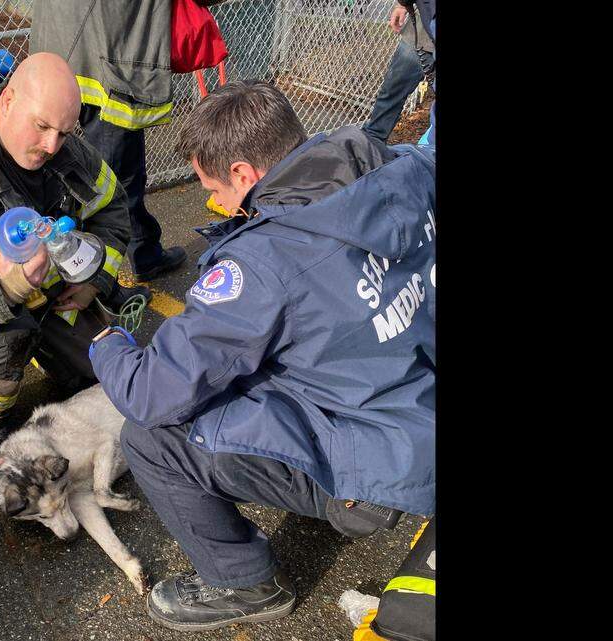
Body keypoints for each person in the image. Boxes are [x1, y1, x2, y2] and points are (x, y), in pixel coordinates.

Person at [88, 81, 436, 632]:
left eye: (215, 191)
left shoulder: (263, 262)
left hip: (380, 459)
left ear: (244, 174)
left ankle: (244, 582)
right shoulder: (403, 168)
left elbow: (151, 391)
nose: (217, 205)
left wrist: (106, 343)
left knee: (150, 438)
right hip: (416, 395)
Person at [0, 52, 140, 458]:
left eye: (64, 132)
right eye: (41, 126)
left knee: (106, 373)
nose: (51, 146)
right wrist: (5, 288)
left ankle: (52, 348)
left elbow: (113, 209)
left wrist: (94, 282)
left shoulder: (67, 150)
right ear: (8, 100)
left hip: (57, 294)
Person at [30, 0, 189, 282]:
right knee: (112, 185)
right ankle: (93, 279)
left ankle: (141, 252)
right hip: (109, 59)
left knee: (83, 175)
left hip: (57, 54)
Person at [363, 1, 435, 143]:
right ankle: (370, 144)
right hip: (420, 35)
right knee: (391, 93)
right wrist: (402, 5)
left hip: (423, 34)